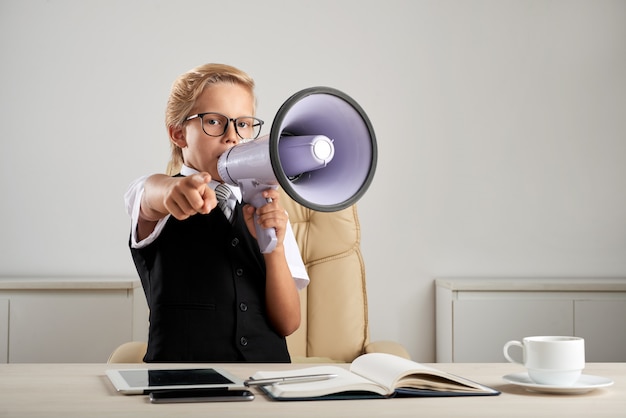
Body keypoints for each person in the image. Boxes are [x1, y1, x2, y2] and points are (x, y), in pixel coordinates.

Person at [124, 63, 309, 363]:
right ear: (178, 133)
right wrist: (173, 192)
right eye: (213, 121)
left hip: (266, 383)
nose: (232, 136)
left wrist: (272, 250)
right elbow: (148, 193)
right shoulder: (159, 198)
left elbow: (287, 323)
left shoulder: (267, 209)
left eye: (243, 124)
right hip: (182, 386)